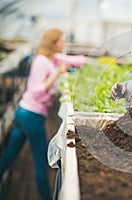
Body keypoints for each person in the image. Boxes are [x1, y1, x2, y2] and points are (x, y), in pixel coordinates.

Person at [0, 28, 85, 200]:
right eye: (61, 41)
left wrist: (90, 61)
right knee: (41, 163)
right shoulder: (42, 62)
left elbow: (74, 60)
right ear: (54, 44)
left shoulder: (50, 58)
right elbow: (38, 89)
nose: (64, 44)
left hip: (24, 113)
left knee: (9, 156)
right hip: (32, 115)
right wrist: (58, 73)